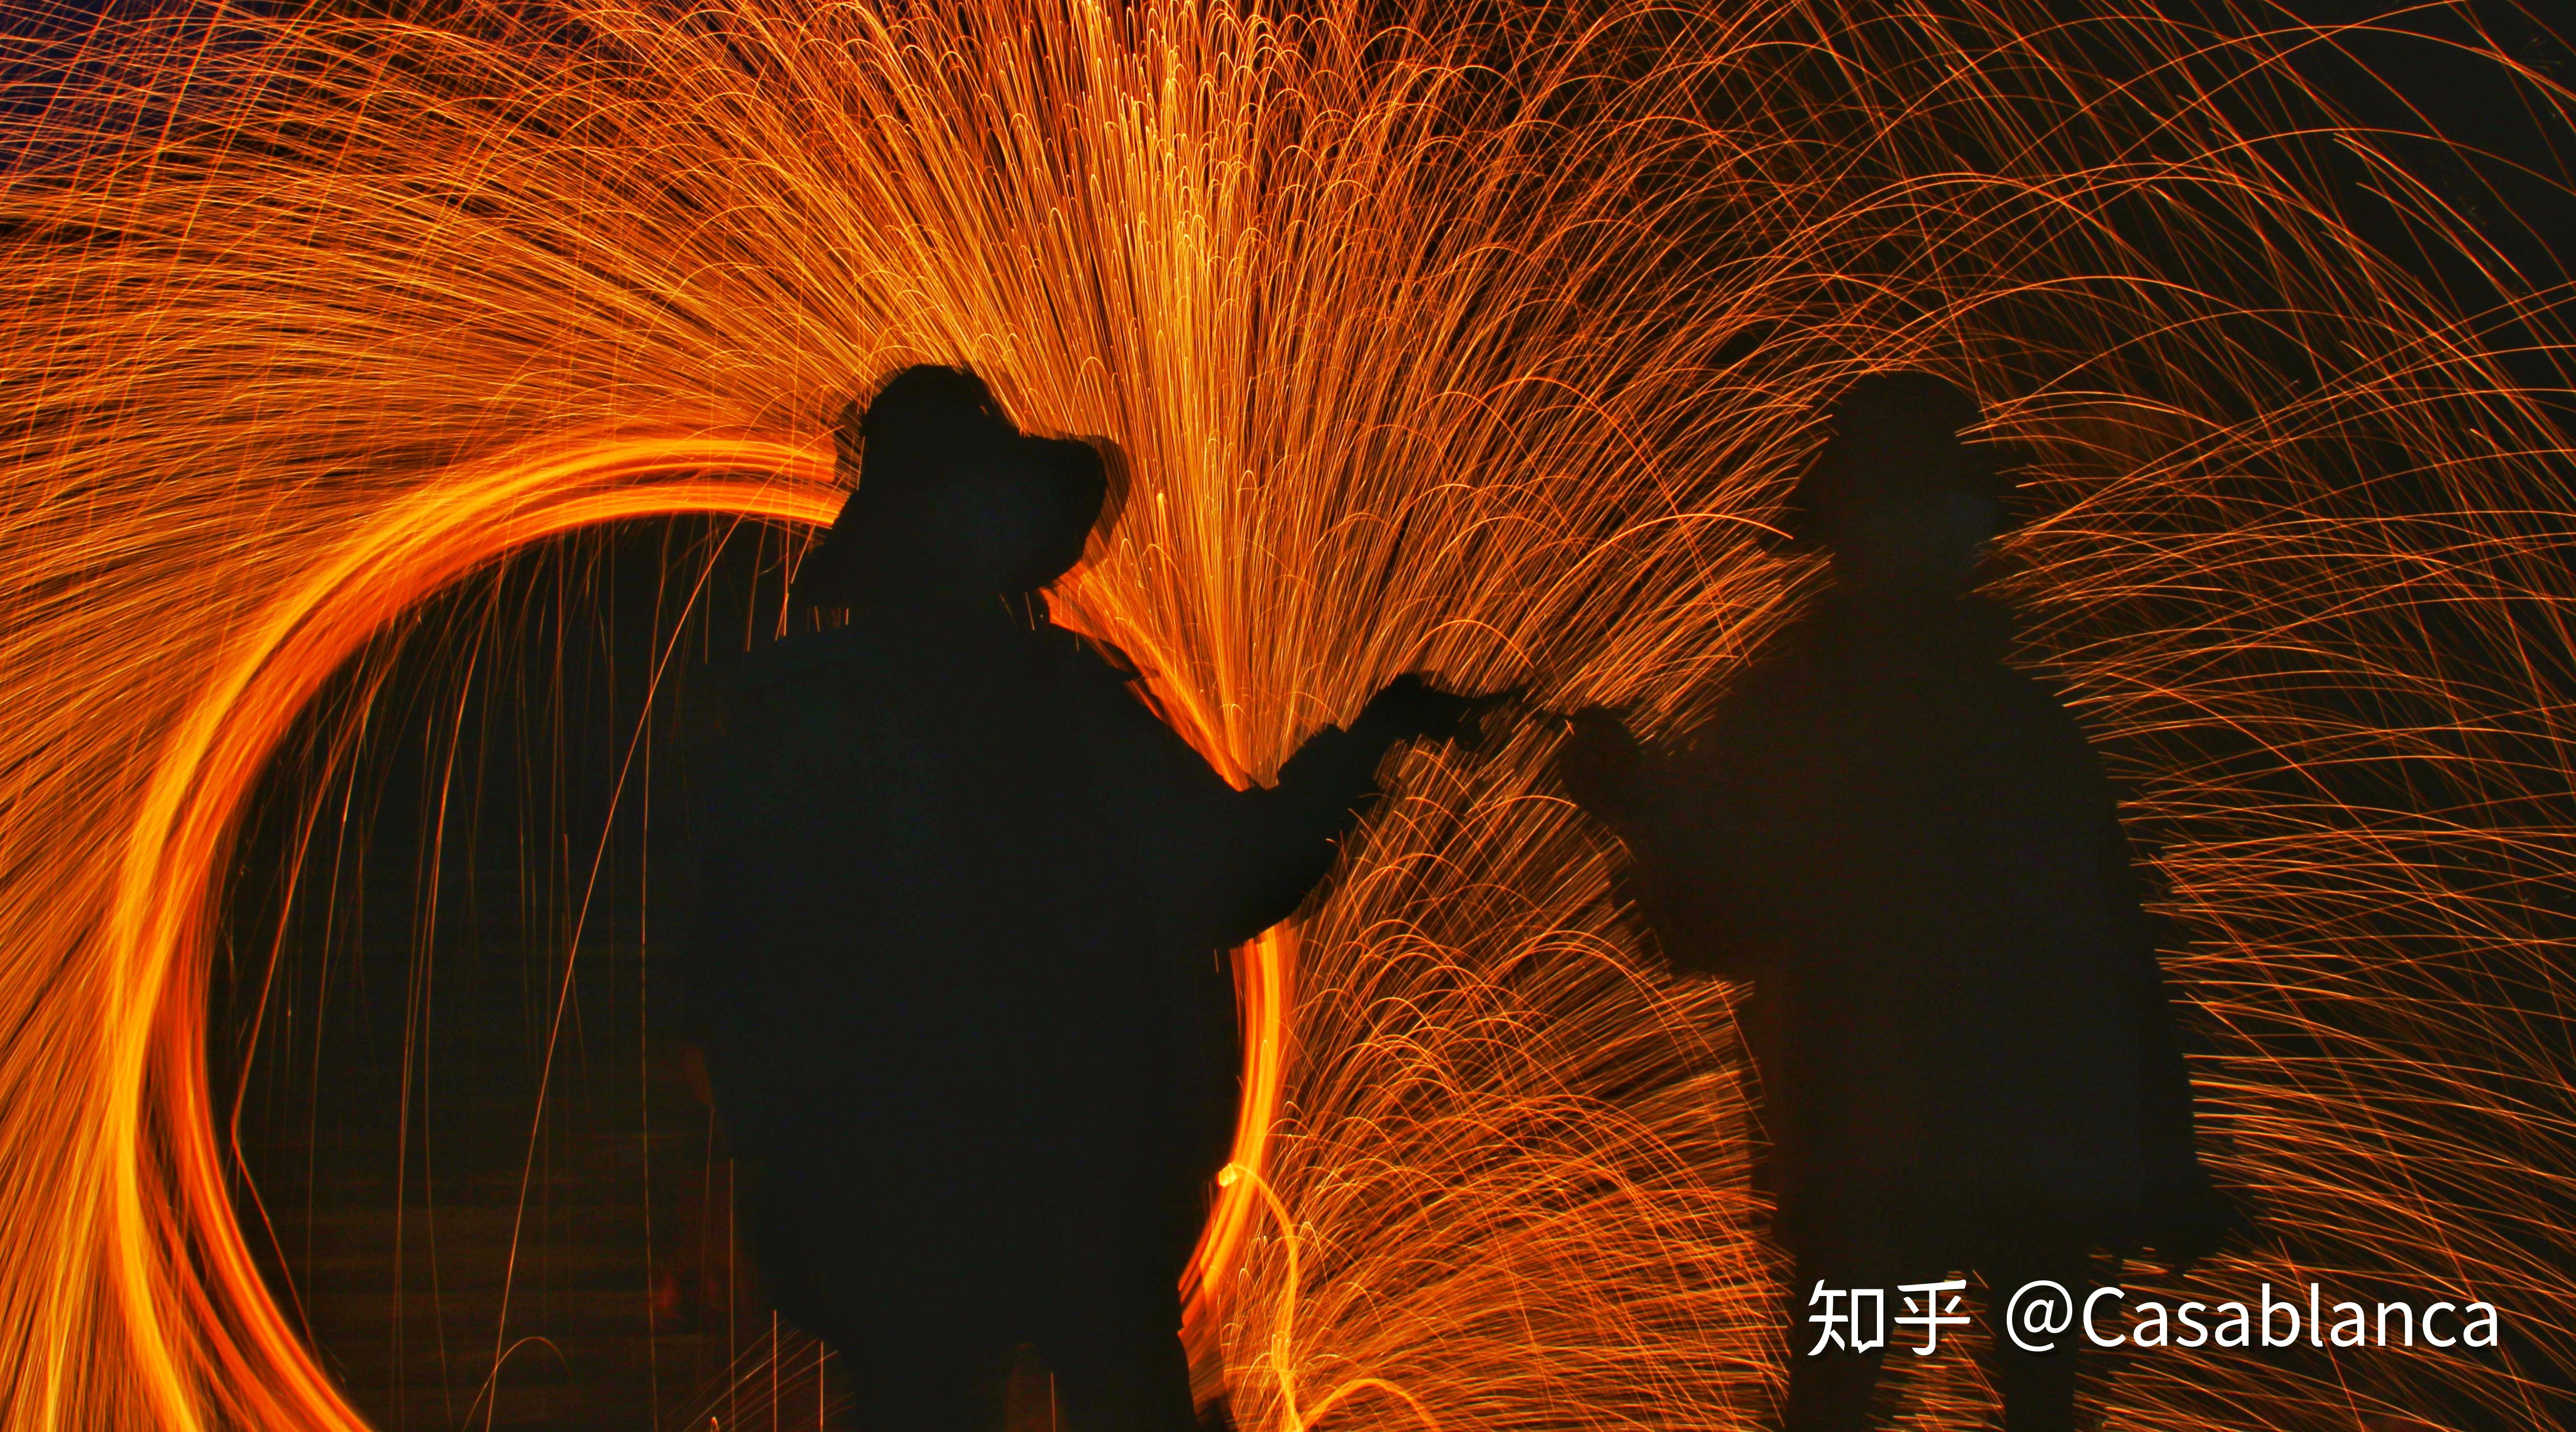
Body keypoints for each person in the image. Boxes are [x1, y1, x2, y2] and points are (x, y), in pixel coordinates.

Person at [682, 364, 1502, 1432]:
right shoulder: (1055, 708)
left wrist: (771, 1178)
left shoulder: (807, 722)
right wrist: (1367, 748)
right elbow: (1232, 873)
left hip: (908, 1219)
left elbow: (729, 985)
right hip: (1072, 1197)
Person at [1557, 371, 2223, 1432]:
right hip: (1940, 1154)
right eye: (1899, 509)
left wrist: (1639, 808)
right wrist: (1636, 805)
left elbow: (2114, 949)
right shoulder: (1981, 724)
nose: (1921, 534)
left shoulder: (1930, 723)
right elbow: (1729, 912)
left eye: (1929, 509)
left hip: (1915, 1154)